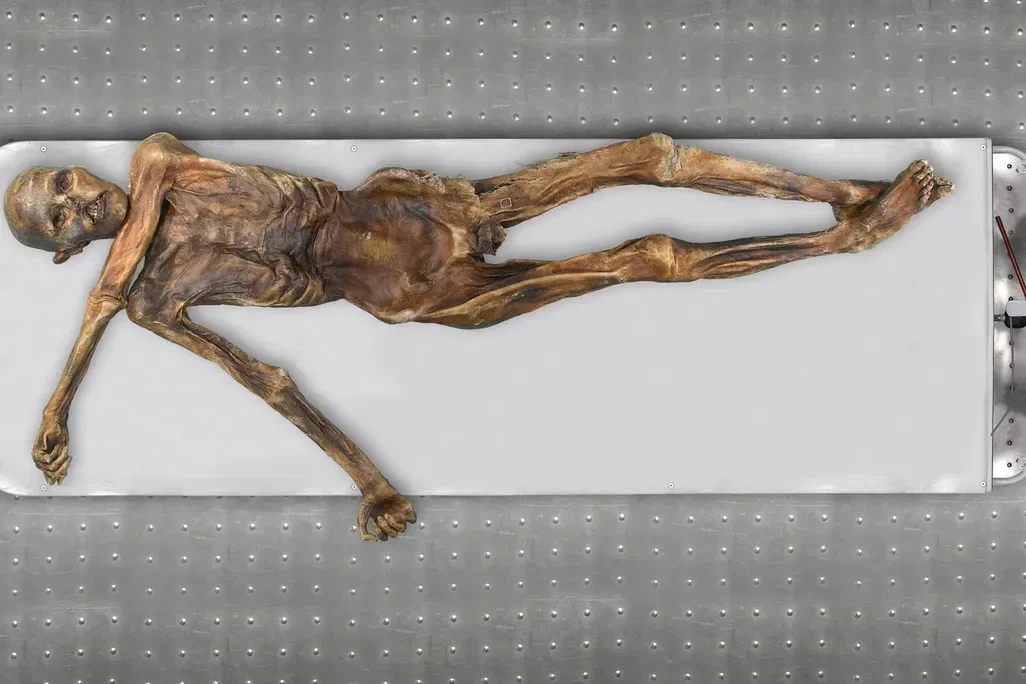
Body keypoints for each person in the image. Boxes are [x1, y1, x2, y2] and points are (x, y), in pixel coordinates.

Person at [2, 132, 952, 540]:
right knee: (643, 259)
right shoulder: (150, 300)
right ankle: (847, 237)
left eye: (63, 182)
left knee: (643, 158)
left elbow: (131, 242)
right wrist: (369, 480)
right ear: (65, 247)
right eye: (60, 217)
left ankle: (840, 193)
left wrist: (63, 390)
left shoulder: (158, 167)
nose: (78, 199)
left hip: (409, 207)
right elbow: (266, 382)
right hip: (409, 288)